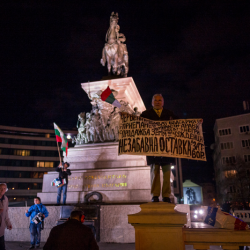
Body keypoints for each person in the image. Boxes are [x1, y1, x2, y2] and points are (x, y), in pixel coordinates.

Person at [140, 94, 178, 203]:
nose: (157, 102)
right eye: (155, 100)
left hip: (167, 147)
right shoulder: (146, 114)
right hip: (152, 148)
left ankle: (166, 195)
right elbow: (136, 124)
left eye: (159, 100)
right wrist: (125, 117)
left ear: (163, 102)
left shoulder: (170, 114)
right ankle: (155, 196)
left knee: (167, 173)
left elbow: (181, 124)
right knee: (154, 172)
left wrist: (196, 123)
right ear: (152, 102)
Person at [0, 183, 12, 250]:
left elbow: (6, 212)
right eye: (1, 188)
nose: (2, 190)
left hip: (1, 227)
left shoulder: (6, 199)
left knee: (2, 246)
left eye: (4, 188)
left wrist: (8, 223)